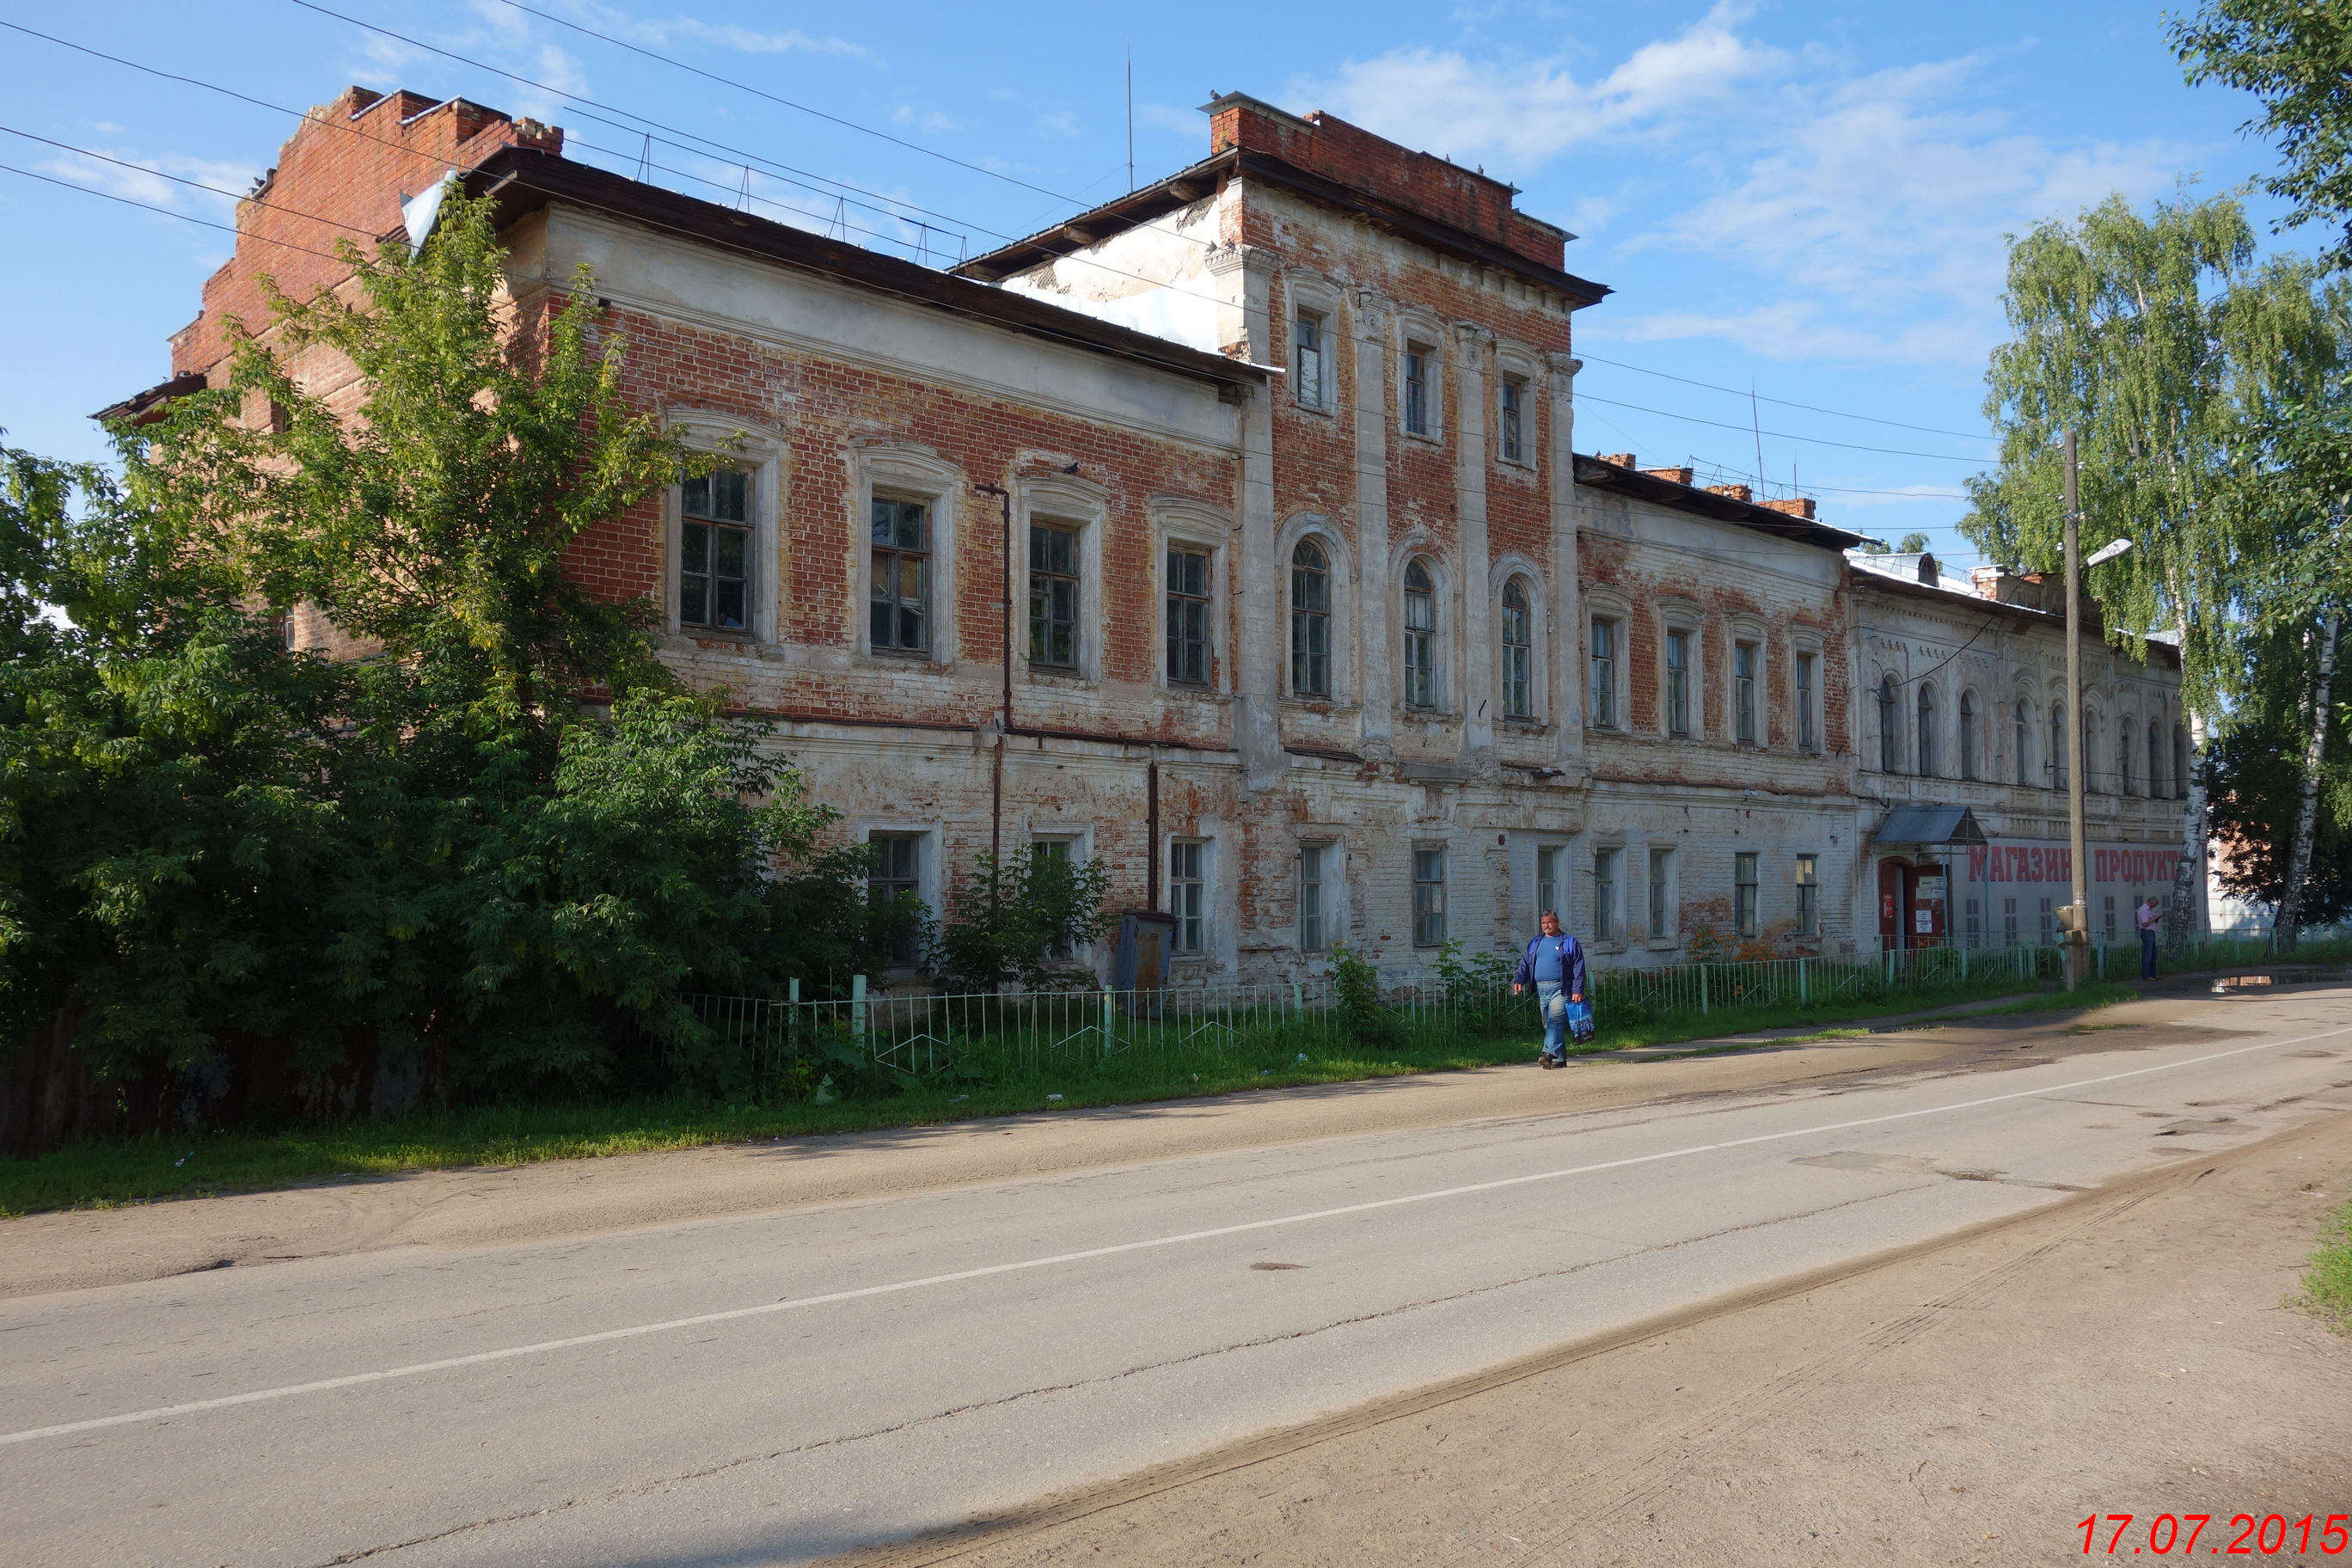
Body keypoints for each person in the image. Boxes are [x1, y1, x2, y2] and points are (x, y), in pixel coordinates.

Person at [1511, 910, 1588, 1069]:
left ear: (1557, 923)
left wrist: (1578, 989)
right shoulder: (1536, 942)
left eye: (1549, 922)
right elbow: (1526, 963)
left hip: (1561, 989)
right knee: (1549, 1024)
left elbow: (1578, 967)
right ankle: (1559, 1059)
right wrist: (1519, 979)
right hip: (1541, 990)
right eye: (1543, 923)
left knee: (1555, 1021)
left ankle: (1547, 1054)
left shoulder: (1569, 942)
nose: (1546, 925)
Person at [2137, 894, 2162, 980]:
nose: (2154, 907)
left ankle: (2152, 974)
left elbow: (2150, 921)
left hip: (2151, 932)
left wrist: (2156, 918)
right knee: (2147, 955)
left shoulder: (2149, 910)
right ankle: (2147, 975)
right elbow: (2145, 924)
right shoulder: (2144, 910)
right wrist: (2154, 918)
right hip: (2147, 932)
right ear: (2151, 903)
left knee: (2152, 955)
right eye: (2154, 905)